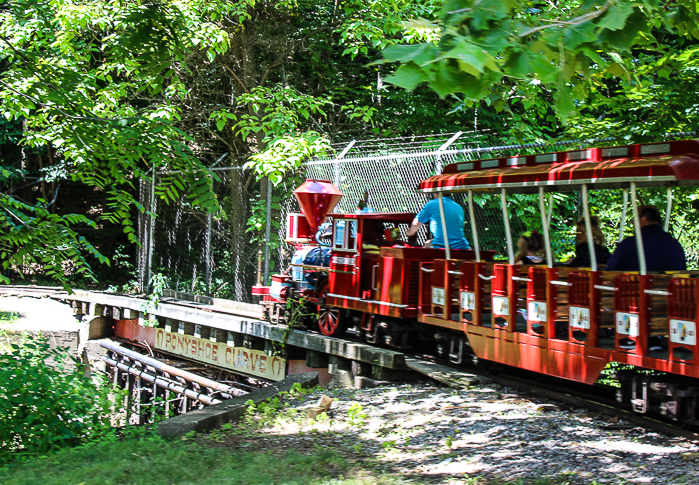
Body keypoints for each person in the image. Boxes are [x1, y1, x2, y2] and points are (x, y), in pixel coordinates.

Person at [605, 205, 686, 271]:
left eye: (634, 219)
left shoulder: (629, 244)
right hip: (670, 290)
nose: (632, 222)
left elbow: (611, 271)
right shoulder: (674, 244)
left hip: (637, 289)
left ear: (644, 219)